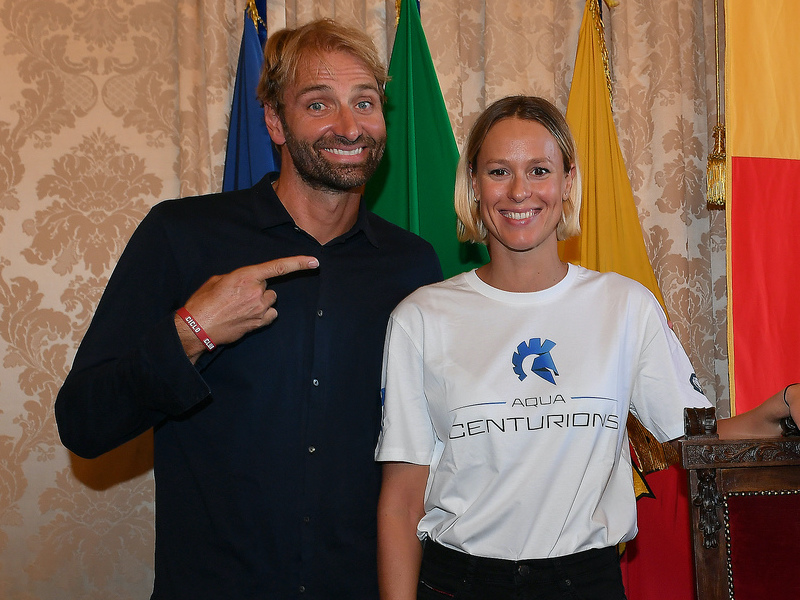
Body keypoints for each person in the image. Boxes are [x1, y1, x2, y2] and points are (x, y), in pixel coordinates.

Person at [55, 19, 442, 600]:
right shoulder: (181, 235)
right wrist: (192, 332)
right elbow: (84, 423)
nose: (348, 126)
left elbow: (428, 454)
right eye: (319, 103)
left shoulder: (412, 266)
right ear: (273, 121)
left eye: (365, 102)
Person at [375, 95, 713, 600]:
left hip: (587, 584)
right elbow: (401, 504)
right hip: (457, 584)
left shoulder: (625, 307)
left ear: (567, 182)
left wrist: (785, 402)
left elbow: (700, 439)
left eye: (538, 170)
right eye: (497, 171)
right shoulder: (419, 318)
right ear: (473, 185)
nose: (518, 192)